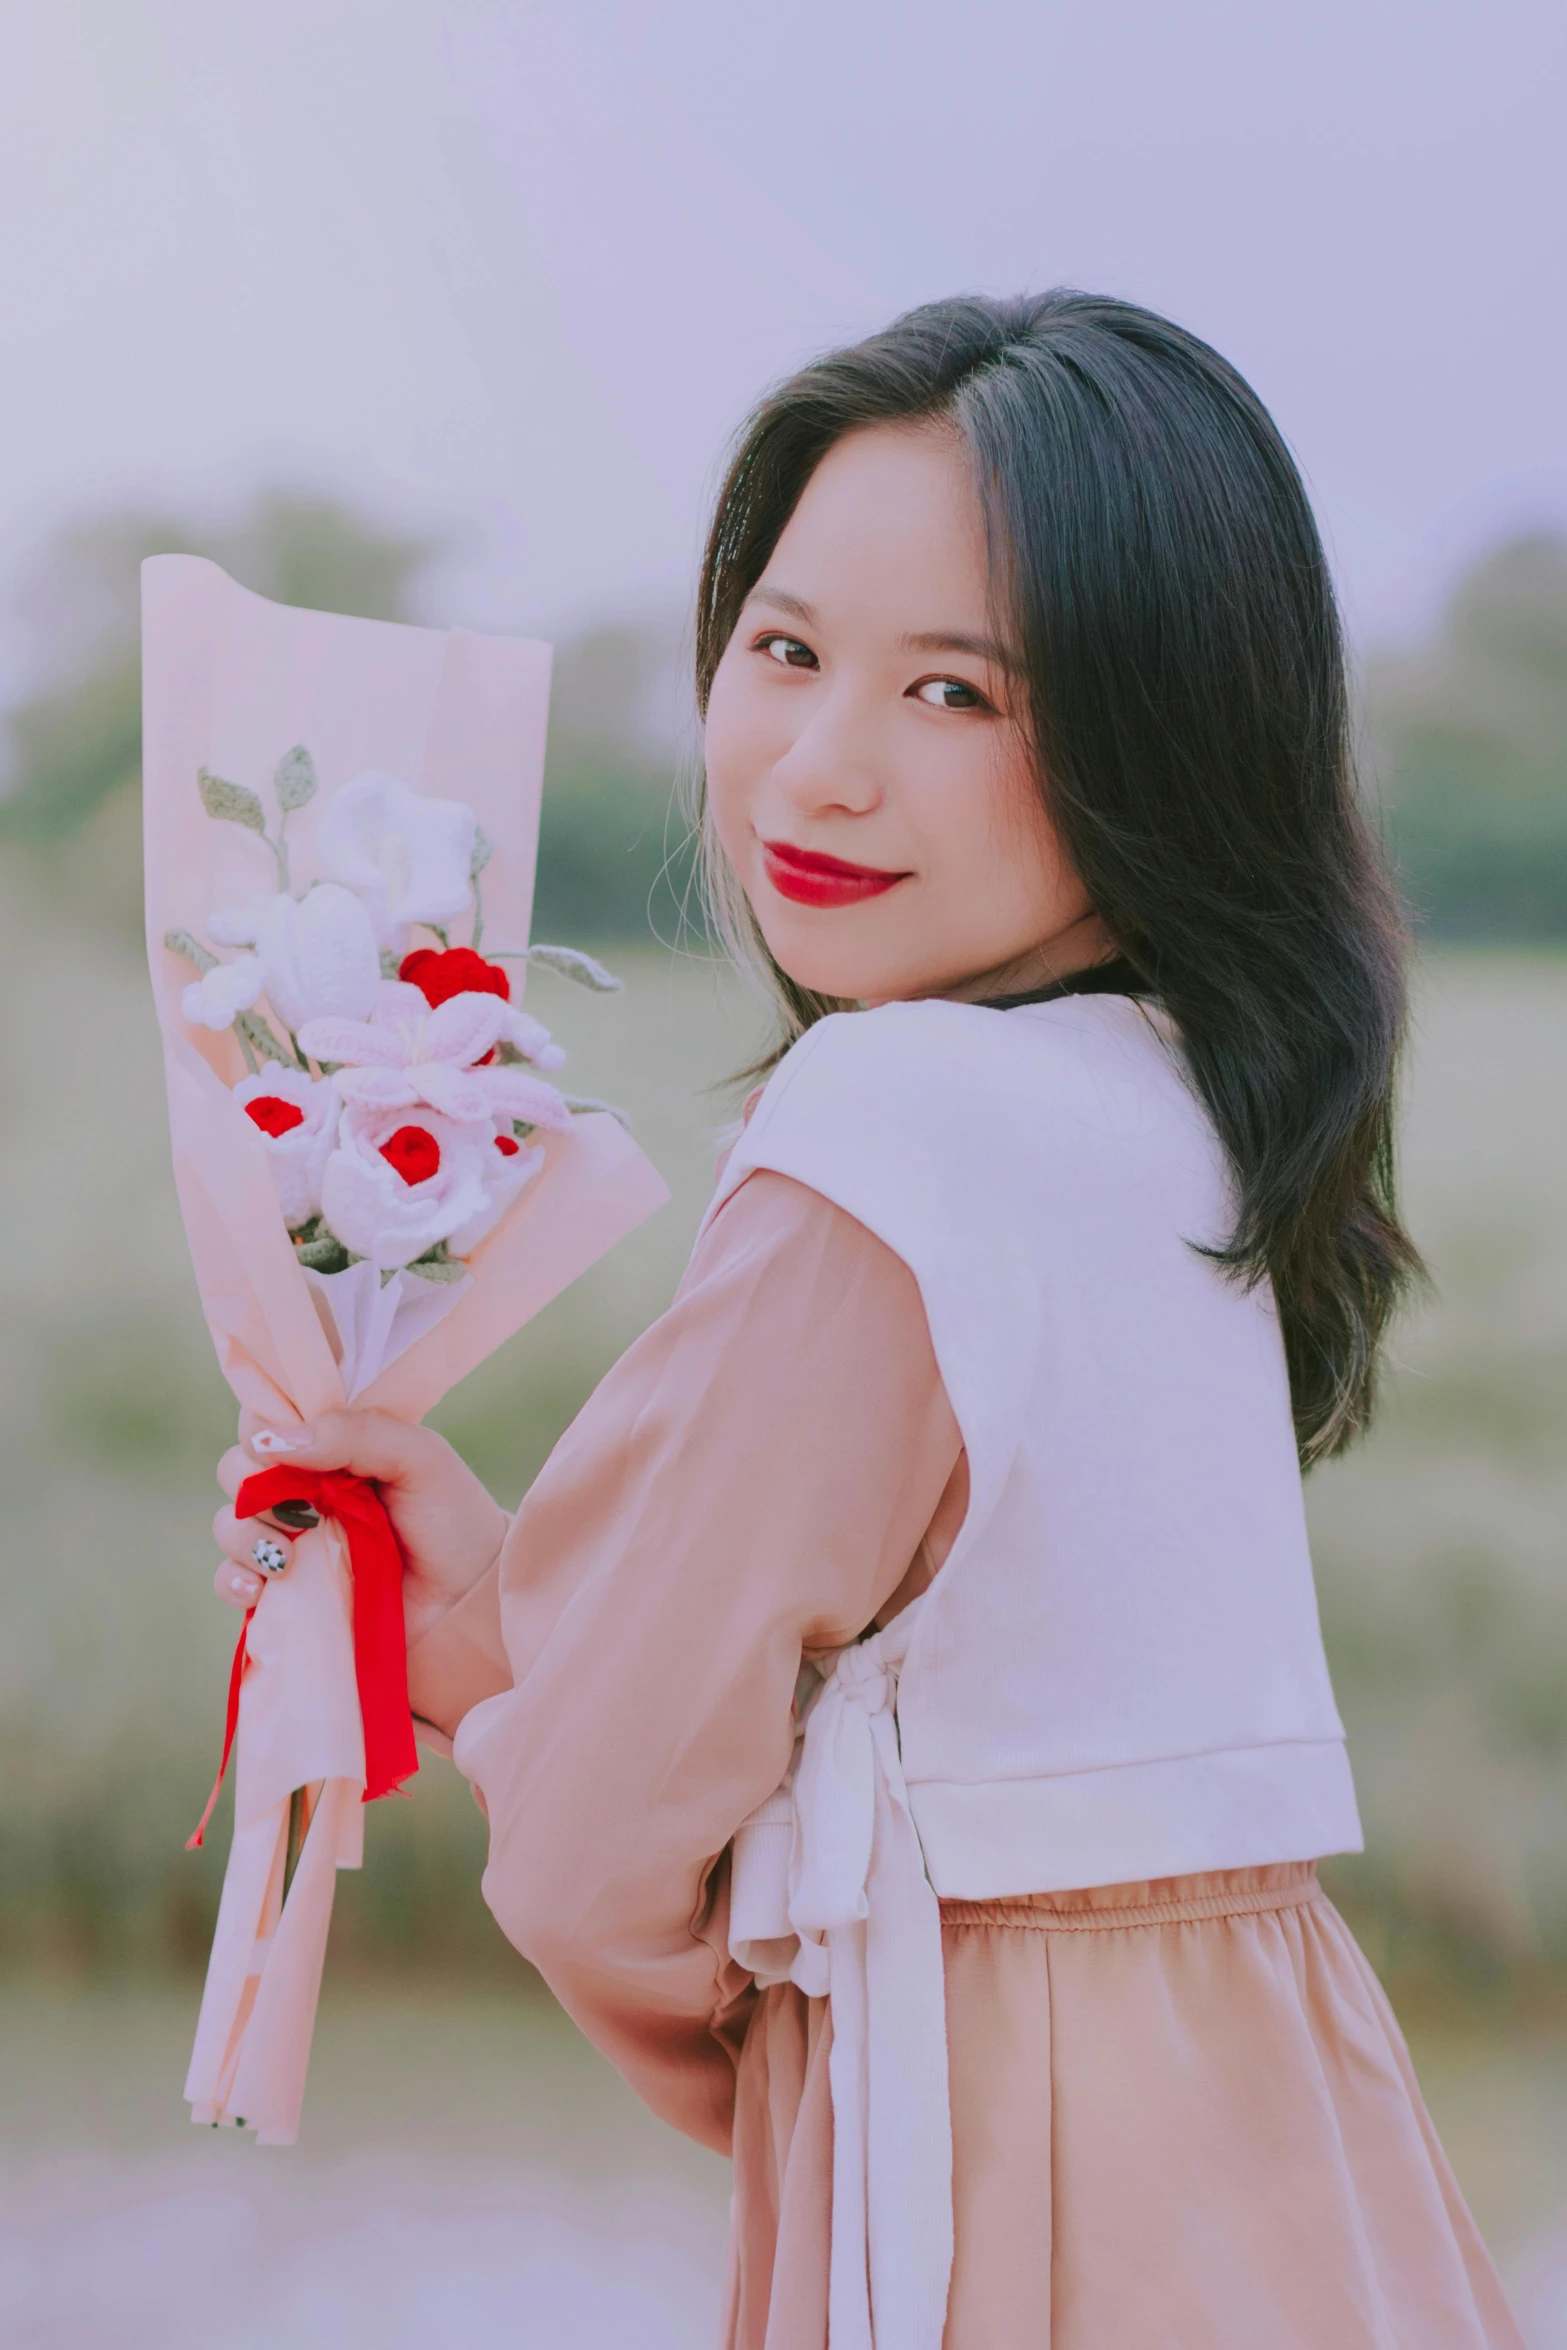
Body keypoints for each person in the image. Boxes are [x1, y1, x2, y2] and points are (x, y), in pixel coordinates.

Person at [212, 292, 1524, 2347]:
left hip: (1013, 2189)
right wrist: (500, 1629)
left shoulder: (894, 1119)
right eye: (790, 650)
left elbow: (593, 1844)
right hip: (1302, 2171)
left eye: (958, 693)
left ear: (1163, 730)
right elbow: (969, 1695)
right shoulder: (1189, 1104)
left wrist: (767, 2057)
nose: (819, 769)